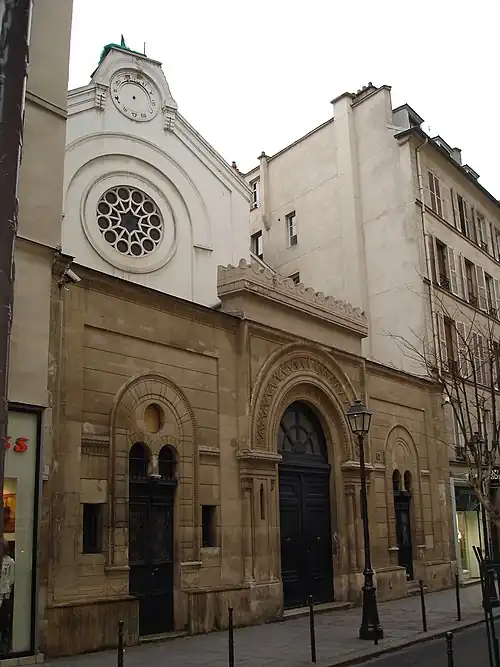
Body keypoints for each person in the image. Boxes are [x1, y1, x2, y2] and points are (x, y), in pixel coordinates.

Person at [0, 540, 15, 653]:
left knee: (4, 622)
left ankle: (4, 646)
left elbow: (11, 579)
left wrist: (6, 589)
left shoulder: (10, 562)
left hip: (5, 595)